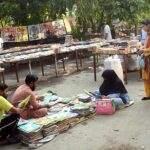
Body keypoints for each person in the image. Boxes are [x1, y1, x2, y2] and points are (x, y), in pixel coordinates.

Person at [138, 19, 150, 100]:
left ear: (149, 24)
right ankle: (148, 94)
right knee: (146, 78)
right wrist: (142, 48)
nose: (143, 28)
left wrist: (143, 50)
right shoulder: (147, 34)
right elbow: (146, 45)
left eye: (144, 26)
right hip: (146, 58)